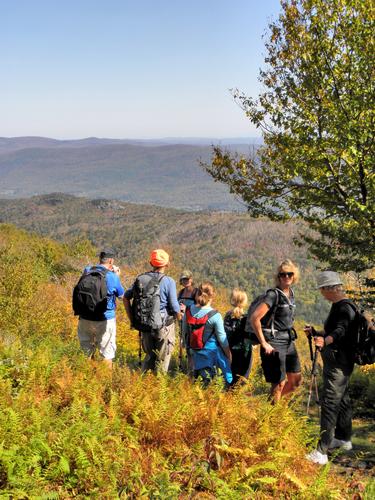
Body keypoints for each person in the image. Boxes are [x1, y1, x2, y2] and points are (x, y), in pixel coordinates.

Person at [305, 271, 356, 465]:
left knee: (330, 403)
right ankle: (343, 439)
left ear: (330, 288)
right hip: (339, 361)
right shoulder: (339, 306)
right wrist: (316, 333)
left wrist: (324, 340)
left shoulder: (345, 308)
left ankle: (321, 451)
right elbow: (333, 331)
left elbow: (340, 331)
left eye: (322, 290)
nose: (321, 294)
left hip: (338, 364)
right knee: (342, 398)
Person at [250, 259, 302, 402]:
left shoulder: (290, 293)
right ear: (278, 277)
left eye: (289, 274)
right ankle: (273, 417)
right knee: (278, 383)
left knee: (295, 381)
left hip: (289, 340)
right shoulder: (273, 295)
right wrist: (264, 343)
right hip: (274, 341)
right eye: (282, 274)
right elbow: (255, 318)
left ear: (294, 276)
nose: (286, 277)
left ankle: (274, 406)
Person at [123, 249, 181, 374]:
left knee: (149, 357)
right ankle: (159, 387)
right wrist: (181, 322)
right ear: (167, 264)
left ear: (151, 263)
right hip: (164, 326)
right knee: (163, 359)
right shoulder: (169, 281)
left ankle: (144, 385)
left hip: (144, 325)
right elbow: (175, 307)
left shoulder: (141, 278)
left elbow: (126, 297)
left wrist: (132, 320)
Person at [77, 249, 125, 368]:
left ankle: (88, 378)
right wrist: (117, 276)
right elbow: (121, 295)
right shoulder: (112, 276)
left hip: (84, 317)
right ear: (111, 261)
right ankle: (105, 383)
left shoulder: (87, 270)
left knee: (87, 351)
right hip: (105, 319)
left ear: (100, 259)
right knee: (107, 353)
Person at [182, 281, 232, 386]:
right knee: (208, 385)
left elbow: (185, 333)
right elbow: (222, 339)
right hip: (210, 354)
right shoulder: (215, 315)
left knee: (193, 383)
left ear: (197, 294)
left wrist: (188, 351)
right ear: (212, 296)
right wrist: (229, 355)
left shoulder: (188, 310)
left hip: (193, 352)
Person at [224, 289, 252, 385]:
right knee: (242, 380)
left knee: (229, 379)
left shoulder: (228, 315)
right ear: (245, 302)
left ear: (232, 300)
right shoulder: (247, 317)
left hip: (229, 350)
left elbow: (225, 333)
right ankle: (235, 398)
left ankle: (227, 398)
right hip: (245, 352)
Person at [177, 270, 198, 372]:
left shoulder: (196, 292)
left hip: (193, 324)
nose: (185, 281)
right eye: (183, 279)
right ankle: (185, 368)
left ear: (191, 279)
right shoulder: (181, 292)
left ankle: (192, 370)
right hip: (181, 322)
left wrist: (187, 308)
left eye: (187, 279)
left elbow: (200, 307)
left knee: (191, 347)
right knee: (183, 344)